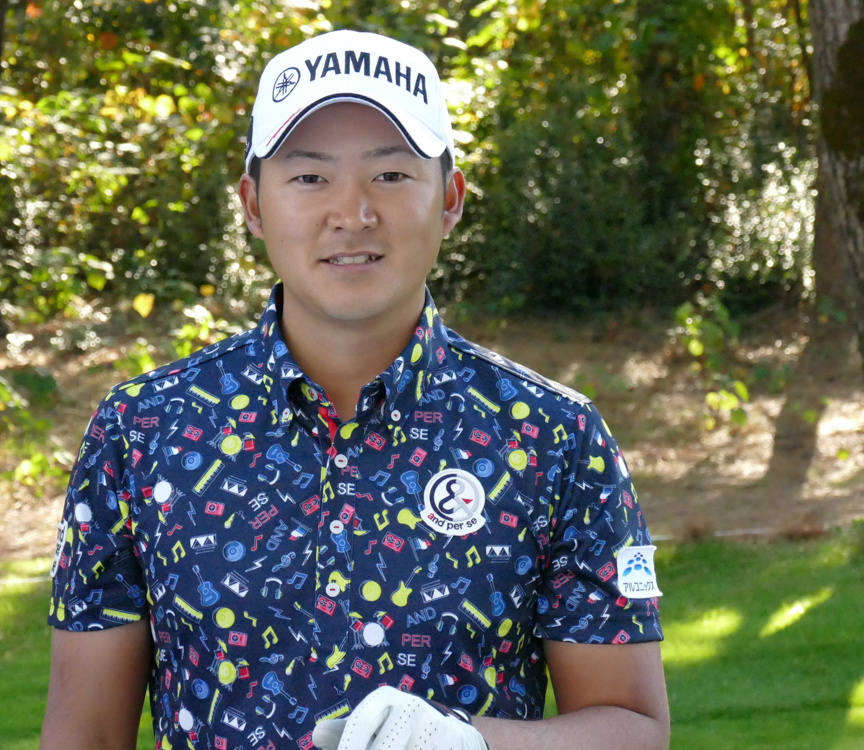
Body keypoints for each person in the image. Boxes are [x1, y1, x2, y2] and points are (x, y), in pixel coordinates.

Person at [40, 29, 670, 750]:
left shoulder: (553, 436)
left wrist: (471, 745)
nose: (352, 212)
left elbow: (633, 727)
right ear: (253, 205)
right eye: (310, 178)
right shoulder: (143, 430)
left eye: (392, 174)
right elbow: (85, 735)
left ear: (451, 199)